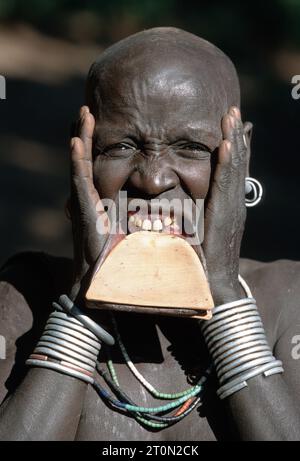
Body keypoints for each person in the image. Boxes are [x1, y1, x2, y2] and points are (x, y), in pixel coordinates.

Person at [0, 27, 300, 441]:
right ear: (81, 152)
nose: (153, 180)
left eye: (191, 147)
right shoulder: (26, 293)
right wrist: (87, 300)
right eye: (121, 146)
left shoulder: (287, 300)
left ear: (240, 154)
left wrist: (223, 294)